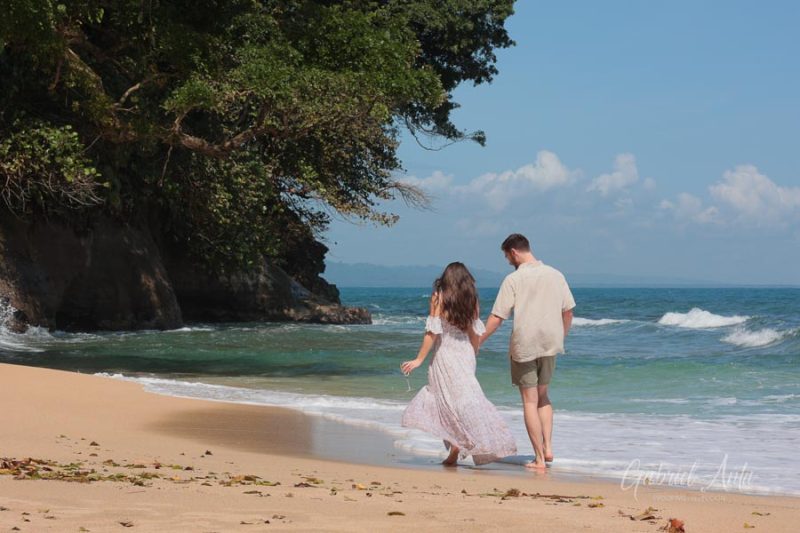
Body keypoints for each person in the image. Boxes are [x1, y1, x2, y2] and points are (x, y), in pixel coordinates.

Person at [400, 262, 517, 466]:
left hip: (445, 355)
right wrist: (474, 352)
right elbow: (474, 332)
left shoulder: (439, 297)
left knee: (445, 401)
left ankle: (459, 445)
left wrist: (419, 359)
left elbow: (432, 332)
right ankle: (460, 447)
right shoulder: (471, 299)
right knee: (467, 400)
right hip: (465, 354)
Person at [481, 233, 575, 470]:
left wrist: (478, 340)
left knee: (529, 401)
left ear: (513, 252)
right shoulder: (556, 275)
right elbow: (568, 312)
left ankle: (539, 459)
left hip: (525, 344)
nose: (508, 261)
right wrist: (560, 336)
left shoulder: (514, 279)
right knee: (544, 397)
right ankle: (549, 446)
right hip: (551, 343)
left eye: (506, 256)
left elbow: (497, 317)